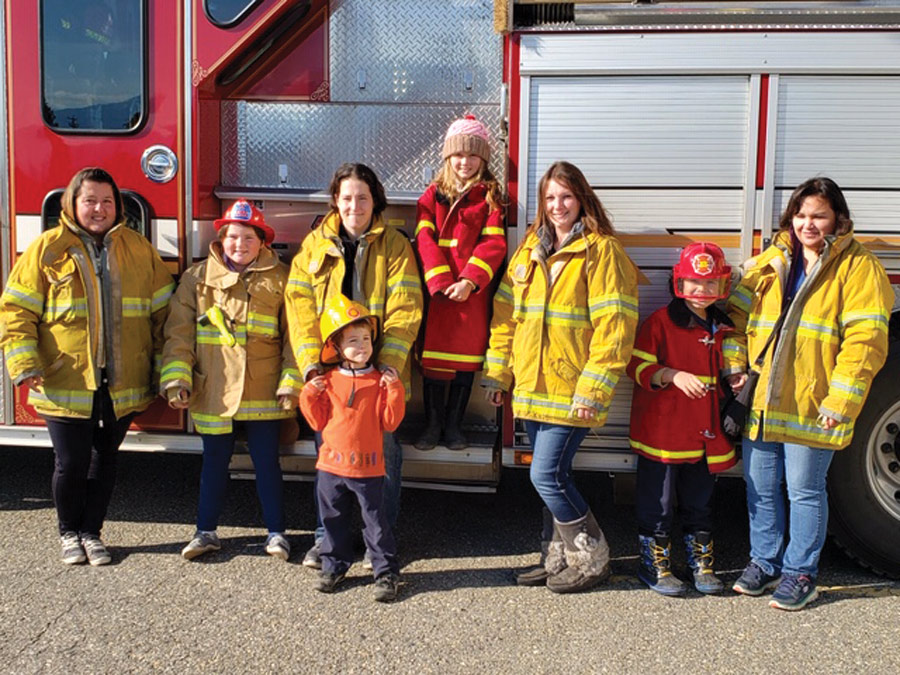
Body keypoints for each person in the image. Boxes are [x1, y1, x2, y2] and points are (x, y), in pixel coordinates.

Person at [725, 177, 892, 610]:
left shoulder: (859, 268)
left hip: (813, 403)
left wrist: (840, 401)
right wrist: (735, 368)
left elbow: (865, 344)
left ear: (838, 217)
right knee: (760, 487)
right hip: (762, 399)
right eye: (801, 215)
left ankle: (800, 573)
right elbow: (735, 320)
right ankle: (763, 563)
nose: (808, 224)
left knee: (804, 490)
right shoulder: (773, 260)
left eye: (818, 215)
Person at [0, 167, 173, 565]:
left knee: (105, 460)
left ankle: (92, 534)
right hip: (65, 377)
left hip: (122, 380)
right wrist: (26, 363)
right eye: (90, 200)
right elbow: (16, 313)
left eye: (108, 201)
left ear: (119, 206)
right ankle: (68, 534)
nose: (99, 209)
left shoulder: (139, 248)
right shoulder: (46, 250)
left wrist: (165, 367)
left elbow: (165, 314)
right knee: (71, 462)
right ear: (72, 204)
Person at [482, 161, 640, 593]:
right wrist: (499, 374)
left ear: (582, 199)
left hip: (572, 390)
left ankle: (591, 559)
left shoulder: (602, 251)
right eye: (550, 198)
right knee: (554, 476)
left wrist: (593, 389)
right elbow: (505, 317)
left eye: (566, 196)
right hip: (531, 386)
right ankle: (556, 558)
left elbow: (615, 329)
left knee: (545, 476)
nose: (558, 206)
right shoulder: (530, 249)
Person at [286, 163, 422, 569]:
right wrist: (312, 367)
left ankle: (377, 543)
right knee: (330, 465)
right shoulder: (313, 247)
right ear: (335, 201)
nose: (354, 205)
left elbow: (406, 308)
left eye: (362, 197)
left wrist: (390, 368)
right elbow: (299, 309)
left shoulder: (395, 245)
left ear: (374, 200)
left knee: (383, 462)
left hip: (377, 377)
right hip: (331, 380)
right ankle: (328, 541)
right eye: (346, 198)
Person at [160, 199, 301, 561]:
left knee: (268, 462)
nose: (240, 245)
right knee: (214, 462)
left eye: (248, 238)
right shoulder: (196, 279)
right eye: (233, 237)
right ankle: (205, 532)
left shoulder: (282, 278)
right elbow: (178, 335)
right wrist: (177, 378)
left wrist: (291, 381)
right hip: (214, 390)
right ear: (221, 239)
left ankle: (277, 534)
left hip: (264, 389)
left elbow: (295, 337)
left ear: (263, 242)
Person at [626, 242, 736, 596]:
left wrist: (738, 375)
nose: (701, 292)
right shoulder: (659, 322)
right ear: (679, 283)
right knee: (656, 505)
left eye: (709, 284)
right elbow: (636, 366)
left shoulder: (726, 327)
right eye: (693, 283)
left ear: (722, 287)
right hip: (662, 432)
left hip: (705, 435)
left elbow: (733, 365)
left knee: (700, 503)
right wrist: (671, 374)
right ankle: (653, 564)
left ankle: (699, 564)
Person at [299, 295, 405, 602]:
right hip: (331, 468)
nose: (363, 346)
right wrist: (309, 394)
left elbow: (391, 422)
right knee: (332, 522)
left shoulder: (379, 382)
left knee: (376, 522)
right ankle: (334, 566)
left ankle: (385, 572)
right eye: (353, 340)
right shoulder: (328, 382)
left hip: (368, 468)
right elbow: (316, 422)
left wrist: (394, 389)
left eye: (367, 339)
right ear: (335, 348)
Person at [413, 115, 506, 450]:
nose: (464, 162)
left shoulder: (490, 197)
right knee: (434, 363)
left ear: (483, 159)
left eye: (472, 155)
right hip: (438, 293)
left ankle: (454, 426)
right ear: (447, 158)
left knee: (465, 363)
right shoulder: (432, 195)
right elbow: (424, 238)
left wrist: (469, 280)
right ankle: (432, 425)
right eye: (458, 155)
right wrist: (438, 279)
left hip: (471, 295)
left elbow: (493, 244)